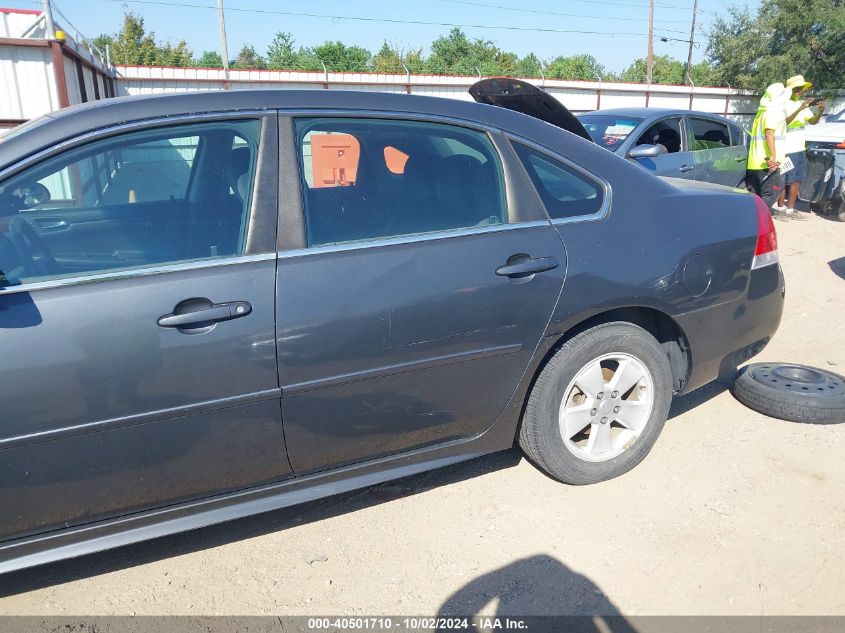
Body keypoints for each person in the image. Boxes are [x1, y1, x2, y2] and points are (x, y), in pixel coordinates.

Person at [773, 74, 826, 220]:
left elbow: (813, 122)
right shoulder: (783, 104)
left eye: (801, 89)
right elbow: (785, 122)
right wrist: (800, 108)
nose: (799, 91)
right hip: (785, 149)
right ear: (790, 90)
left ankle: (790, 209)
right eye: (797, 88)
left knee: (797, 179)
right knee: (783, 179)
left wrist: (820, 111)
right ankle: (780, 208)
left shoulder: (802, 105)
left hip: (799, 149)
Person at [746, 82, 789, 218]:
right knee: (769, 194)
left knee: (756, 195)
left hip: (755, 162)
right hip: (767, 163)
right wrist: (773, 156)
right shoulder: (772, 112)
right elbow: (769, 133)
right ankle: (761, 222)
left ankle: (753, 220)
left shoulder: (761, 113)